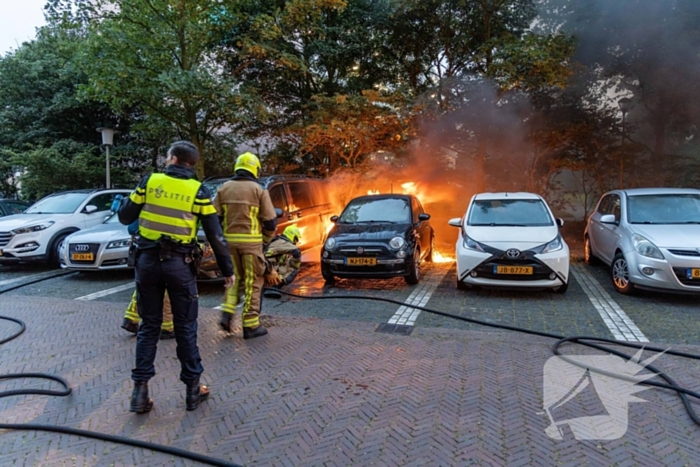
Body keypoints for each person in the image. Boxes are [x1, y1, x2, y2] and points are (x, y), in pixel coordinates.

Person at [118, 141, 234, 414]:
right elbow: (215, 235)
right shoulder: (199, 191)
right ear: (191, 164)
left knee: (149, 327)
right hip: (179, 266)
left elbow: (126, 216)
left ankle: (140, 392)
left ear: (171, 158)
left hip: (147, 264)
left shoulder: (150, 182)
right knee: (185, 327)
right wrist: (227, 271)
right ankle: (193, 391)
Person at [215, 152, 277, 339]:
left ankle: (227, 314)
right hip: (252, 246)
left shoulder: (223, 188)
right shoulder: (258, 190)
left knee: (233, 280)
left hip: (229, 245)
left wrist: (222, 241)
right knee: (253, 283)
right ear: (255, 169)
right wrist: (264, 242)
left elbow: (214, 219)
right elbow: (270, 222)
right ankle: (250, 325)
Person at [113, 200, 175, 340]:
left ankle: (131, 318)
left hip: (144, 249)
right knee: (165, 287)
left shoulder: (147, 198)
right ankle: (166, 327)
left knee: (144, 286)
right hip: (161, 249)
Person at [264, 224, 302, 289]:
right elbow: (296, 251)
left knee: (288, 262)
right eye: (296, 239)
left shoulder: (279, 242)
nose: (296, 242)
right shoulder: (283, 243)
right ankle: (276, 285)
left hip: (266, 267)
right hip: (267, 268)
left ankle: (275, 283)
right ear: (293, 237)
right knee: (293, 269)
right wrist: (295, 265)